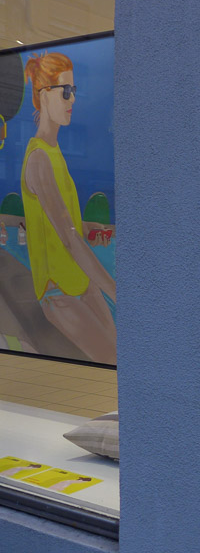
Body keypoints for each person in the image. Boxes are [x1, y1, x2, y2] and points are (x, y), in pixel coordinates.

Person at [22, 53, 116, 365]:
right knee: (114, 358)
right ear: (42, 95)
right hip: (58, 292)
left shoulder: (54, 152)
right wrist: (117, 292)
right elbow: (68, 237)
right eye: (65, 91)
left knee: (120, 356)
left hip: (80, 282)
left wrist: (92, 229)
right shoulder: (39, 159)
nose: (72, 99)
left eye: (73, 90)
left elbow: (66, 223)